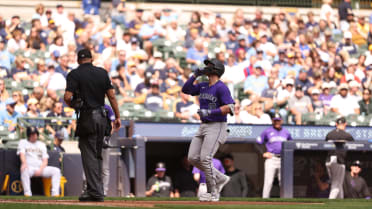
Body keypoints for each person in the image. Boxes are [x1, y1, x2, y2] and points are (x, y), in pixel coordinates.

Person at [64, 49, 121, 202]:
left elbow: (67, 97)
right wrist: (117, 116)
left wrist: (74, 104)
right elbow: (112, 96)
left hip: (87, 118)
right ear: (92, 58)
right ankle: (94, 190)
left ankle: (95, 192)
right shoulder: (102, 73)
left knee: (89, 155)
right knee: (97, 156)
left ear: (78, 60)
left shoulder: (74, 74)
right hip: (102, 118)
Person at [182, 58, 234, 202]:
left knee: (205, 158)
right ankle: (220, 178)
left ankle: (213, 192)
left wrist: (210, 113)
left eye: (209, 65)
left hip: (217, 125)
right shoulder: (204, 85)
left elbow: (230, 107)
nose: (206, 67)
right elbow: (185, 89)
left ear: (216, 69)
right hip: (203, 125)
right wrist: (194, 75)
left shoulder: (221, 87)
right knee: (192, 157)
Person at [17, 126, 61, 196]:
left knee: (56, 171)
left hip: (41, 168)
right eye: (32, 134)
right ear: (28, 135)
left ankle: (55, 194)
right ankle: (27, 193)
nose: (34, 136)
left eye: (35, 134)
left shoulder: (41, 144)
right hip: (29, 168)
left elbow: (45, 160)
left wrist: (40, 169)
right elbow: (22, 155)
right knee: (24, 169)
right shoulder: (23, 142)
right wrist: (24, 163)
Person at [257, 113, 293, 198]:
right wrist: (263, 152)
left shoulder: (286, 132)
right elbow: (258, 143)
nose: (277, 122)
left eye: (278, 120)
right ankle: (264, 201)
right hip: (271, 158)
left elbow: (291, 144)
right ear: (272, 121)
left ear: (281, 121)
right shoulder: (267, 131)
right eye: (275, 120)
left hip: (283, 159)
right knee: (268, 181)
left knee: (283, 182)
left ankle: (284, 201)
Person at [325, 116, 354, 199]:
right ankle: (330, 204)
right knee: (336, 185)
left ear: (336, 124)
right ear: (345, 124)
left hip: (328, 161)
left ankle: (340, 202)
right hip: (338, 161)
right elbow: (356, 145)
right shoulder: (346, 135)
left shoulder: (329, 134)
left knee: (338, 183)